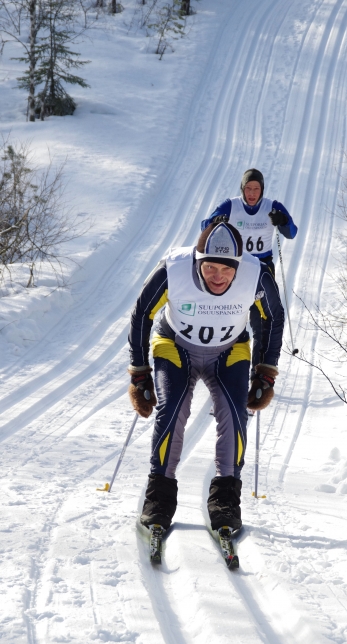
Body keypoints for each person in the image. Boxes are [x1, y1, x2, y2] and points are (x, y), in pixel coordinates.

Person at [128, 222, 284, 537]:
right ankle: (158, 498)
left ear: (238, 267)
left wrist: (265, 370)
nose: (216, 276)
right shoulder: (173, 267)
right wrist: (139, 372)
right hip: (174, 346)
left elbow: (273, 316)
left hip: (229, 351)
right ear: (197, 260)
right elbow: (142, 312)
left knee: (234, 412)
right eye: (209, 266)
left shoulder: (257, 273)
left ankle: (226, 501)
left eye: (226, 270)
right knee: (172, 409)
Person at [201, 168, 297, 369]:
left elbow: (291, 232)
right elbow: (205, 226)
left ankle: (258, 371)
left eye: (256, 189)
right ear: (242, 189)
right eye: (248, 189)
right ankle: (221, 366)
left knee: (262, 322)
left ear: (262, 190)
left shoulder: (272, 207)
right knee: (228, 318)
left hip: (262, 270)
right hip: (235, 269)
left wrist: (283, 221)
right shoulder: (231, 205)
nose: (252, 193)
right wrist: (215, 222)